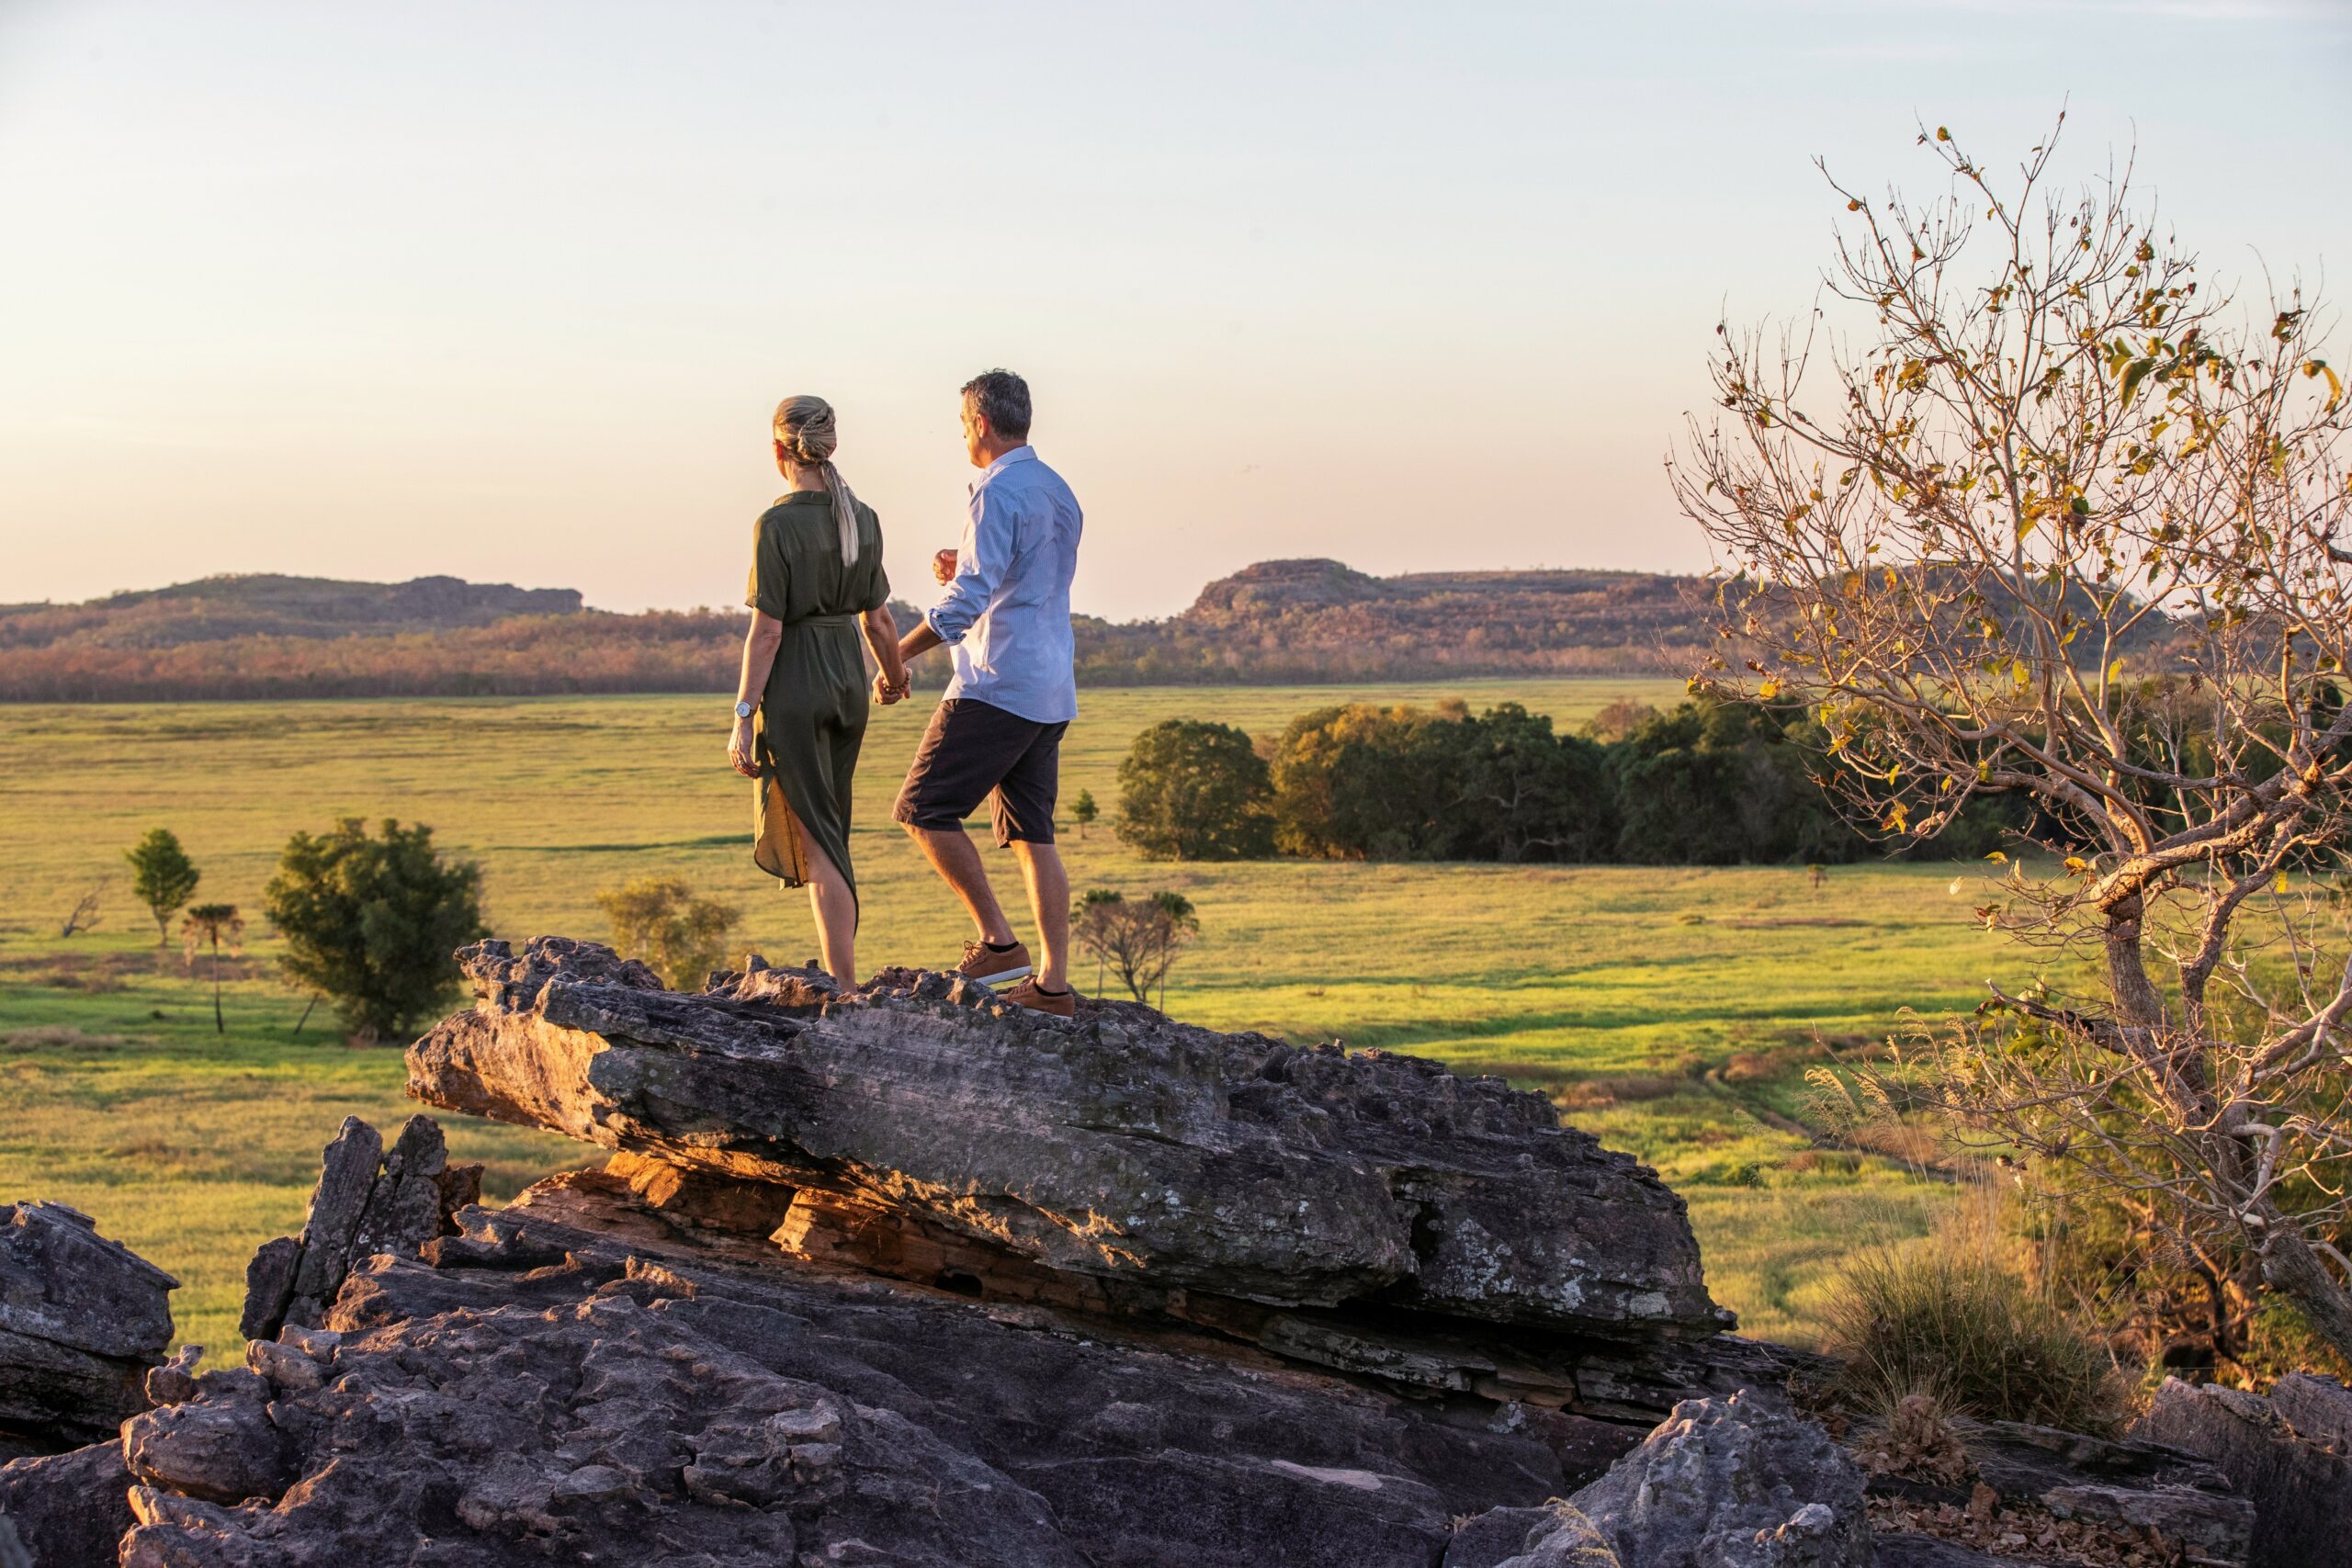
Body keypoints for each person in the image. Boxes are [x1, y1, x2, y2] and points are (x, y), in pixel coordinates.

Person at [892, 368, 1084, 1018]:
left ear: (979, 423)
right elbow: (1018, 576)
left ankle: (999, 942)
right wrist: (964, 565)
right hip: (1051, 684)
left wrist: (897, 651)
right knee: (1034, 833)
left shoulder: (997, 491)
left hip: (997, 682)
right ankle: (1053, 987)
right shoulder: (1059, 491)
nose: (961, 434)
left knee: (922, 808)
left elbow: (971, 598)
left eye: (961, 423)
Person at [728, 394, 908, 985]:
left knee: (822, 837)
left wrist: (742, 713)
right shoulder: (865, 517)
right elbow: (878, 622)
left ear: (779, 449)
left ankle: (846, 986)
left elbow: (768, 630)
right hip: (847, 684)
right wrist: (894, 676)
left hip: (798, 684)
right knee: (830, 825)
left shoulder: (776, 524)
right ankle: (842, 973)